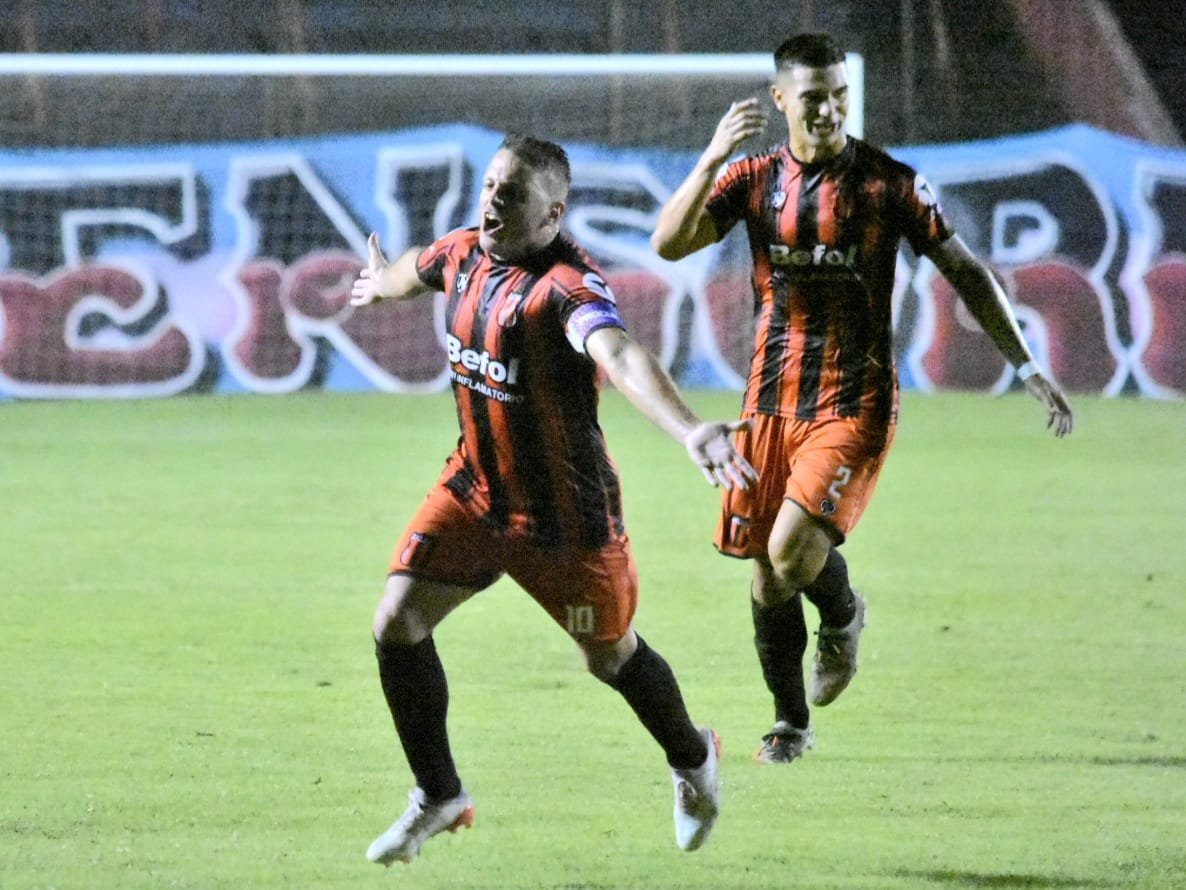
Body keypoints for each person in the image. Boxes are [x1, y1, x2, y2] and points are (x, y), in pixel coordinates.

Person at [650, 33, 1074, 764]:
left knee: (790, 551)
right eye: (813, 98)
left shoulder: (889, 184)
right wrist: (712, 157)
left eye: (839, 96)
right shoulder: (753, 179)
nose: (829, 110)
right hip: (769, 401)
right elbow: (668, 243)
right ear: (781, 99)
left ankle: (843, 617)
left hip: (855, 400)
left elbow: (965, 270)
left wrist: (1026, 363)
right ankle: (791, 723)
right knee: (767, 573)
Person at [350, 134, 758, 864]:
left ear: (552, 214)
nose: (492, 202)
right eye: (490, 186)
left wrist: (690, 429)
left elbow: (620, 353)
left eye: (511, 195)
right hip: (474, 493)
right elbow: (419, 267)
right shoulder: (466, 253)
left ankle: (694, 758)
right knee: (397, 623)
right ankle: (440, 795)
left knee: (611, 659)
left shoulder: (567, 286)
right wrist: (384, 281)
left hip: (566, 523)